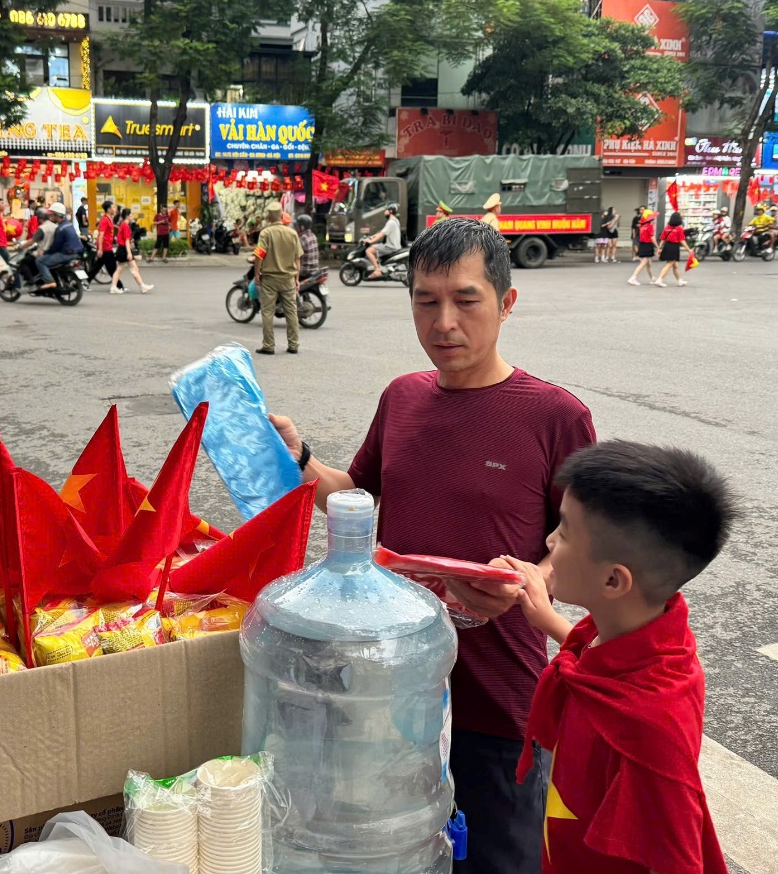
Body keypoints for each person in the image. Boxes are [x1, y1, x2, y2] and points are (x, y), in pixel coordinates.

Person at [268, 218, 596, 872]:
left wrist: (528, 584)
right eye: (426, 301)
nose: (444, 322)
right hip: (388, 689)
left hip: (498, 702)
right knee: (393, 854)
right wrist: (299, 457)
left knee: (496, 861)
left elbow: (581, 548)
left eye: (465, 300)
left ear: (506, 302)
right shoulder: (403, 398)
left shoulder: (554, 416)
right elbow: (353, 494)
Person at [499, 441, 737, 874]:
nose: (550, 540)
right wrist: (548, 620)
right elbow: (604, 671)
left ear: (613, 581)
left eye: (564, 532)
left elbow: (676, 857)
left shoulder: (650, 733)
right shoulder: (653, 637)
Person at [253, 202, 301, 355]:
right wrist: (297, 278)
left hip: (269, 279)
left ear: (268, 217)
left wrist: (257, 273)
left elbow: (259, 255)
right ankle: (293, 345)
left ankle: (268, 345)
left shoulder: (265, 233)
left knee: (267, 312)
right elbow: (297, 258)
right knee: (291, 311)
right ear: (281, 215)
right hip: (288, 279)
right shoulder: (292, 233)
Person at [35, 203, 84, 289]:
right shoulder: (69, 225)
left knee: (40, 261)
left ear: (56, 215)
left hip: (66, 254)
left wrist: (45, 252)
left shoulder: (60, 229)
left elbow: (55, 246)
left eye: (51, 214)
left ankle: (50, 281)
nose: (50, 216)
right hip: (76, 253)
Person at [111, 206, 153, 294]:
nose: (132, 216)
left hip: (123, 249)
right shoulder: (125, 225)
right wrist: (129, 253)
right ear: (127, 216)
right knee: (122, 269)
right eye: (131, 214)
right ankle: (114, 287)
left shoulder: (123, 225)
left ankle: (142, 286)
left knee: (131, 268)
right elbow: (126, 240)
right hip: (124, 249)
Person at [364, 203, 402, 279]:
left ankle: (377, 270)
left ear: (390, 211)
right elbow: (381, 232)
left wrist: (370, 241)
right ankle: (379, 265)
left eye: (386, 210)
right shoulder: (395, 221)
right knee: (374, 246)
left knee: (369, 250)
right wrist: (372, 237)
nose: (384, 212)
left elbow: (382, 235)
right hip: (395, 245)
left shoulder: (391, 222)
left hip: (390, 247)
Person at [655, 211, 689, 287]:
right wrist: (688, 249)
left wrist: (659, 248)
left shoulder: (667, 228)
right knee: (669, 264)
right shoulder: (679, 229)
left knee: (675, 265)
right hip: (674, 247)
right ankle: (659, 279)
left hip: (667, 246)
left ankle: (679, 281)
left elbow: (662, 239)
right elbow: (682, 240)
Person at [628, 209, 657, 286]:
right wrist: (657, 246)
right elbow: (652, 237)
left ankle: (652, 278)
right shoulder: (650, 226)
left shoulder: (642, 226)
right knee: (644, 262)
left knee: (649, 263)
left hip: (642, 244)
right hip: (648, 245)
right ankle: (633, 277)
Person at [296, 212, 320, 279]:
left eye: (297, 225)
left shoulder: (302, 239)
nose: (296, 227)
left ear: (302, 227)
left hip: (305, 271)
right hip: (314, 269)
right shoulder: (313, 236)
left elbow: (295, 255)